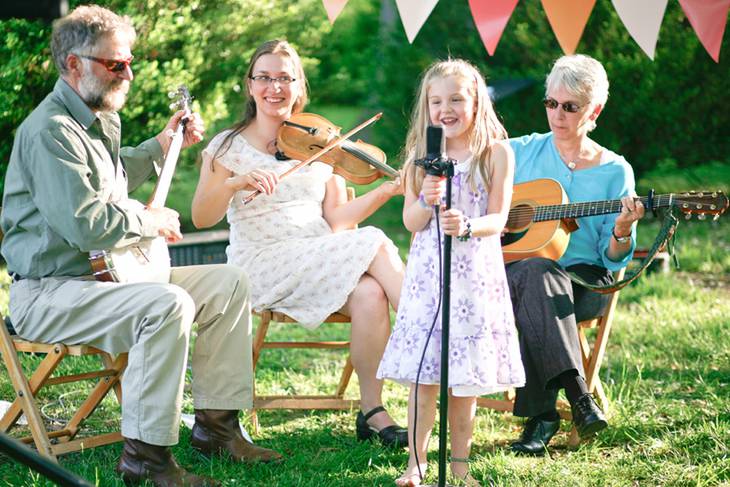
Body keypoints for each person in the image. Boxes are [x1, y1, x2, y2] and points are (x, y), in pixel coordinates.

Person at [0, 6, 280, 487]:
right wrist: (148, 220)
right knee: (167, 304)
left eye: (128, 62)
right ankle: (146, 462)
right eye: (115, 65)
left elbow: (110, 178)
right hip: (51, 293)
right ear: (73, 64)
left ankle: (217, 428)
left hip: (107, 279)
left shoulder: (94, 121)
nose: (127, 73)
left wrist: (162, 143)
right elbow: (88, 223)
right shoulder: (50, 131)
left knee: (228, 282)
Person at [191, 39, 408, 448]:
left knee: (371, 293)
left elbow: (338, 221)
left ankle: (373, 410)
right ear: (250, 85)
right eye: (265, 78)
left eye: (285, 78)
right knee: (377, 241)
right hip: (260, 261)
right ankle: (427, 329)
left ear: (299, 86)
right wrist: (236, 181)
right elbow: (203, 216)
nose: (275, 87)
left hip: (317, 254)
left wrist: (385, 192)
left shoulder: (322, 144)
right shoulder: (226, 145)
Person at [377, 59, 525, 486]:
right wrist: (426, 198)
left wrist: (468, 225)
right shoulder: (421, 159)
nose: (447, 108)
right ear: (427, 107)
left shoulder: (496, 153)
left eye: (457, 99)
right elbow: (410, 221)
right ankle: (416, 465)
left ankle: (459, 467)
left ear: (476, 102)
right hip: (430, 279)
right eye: (437, 100)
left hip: (474, 277)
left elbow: (499, 219)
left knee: (465, 381)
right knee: (425, 377)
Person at [506, 54, 645, 456]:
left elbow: (615, 258)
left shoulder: (615, 171)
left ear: (594, 110)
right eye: (551, 103)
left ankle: (543, 415)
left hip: (586, 279)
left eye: (570, 106)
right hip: (522, 272)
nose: (558, 114)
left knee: (539, 282)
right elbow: (472, 181)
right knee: (536, 272)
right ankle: (579, 398)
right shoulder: (519, 152)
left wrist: (621, 229)